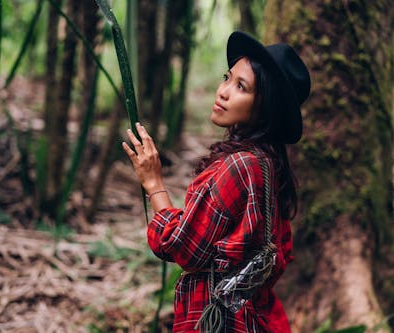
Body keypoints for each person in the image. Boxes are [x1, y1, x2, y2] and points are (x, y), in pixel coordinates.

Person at [122, 31, 310, 333]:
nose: (223, 91)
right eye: (228, 77)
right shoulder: (267, 164)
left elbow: (182, 247)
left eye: (241, 87)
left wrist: (153, 182)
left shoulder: (240, 166)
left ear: (265, 106)